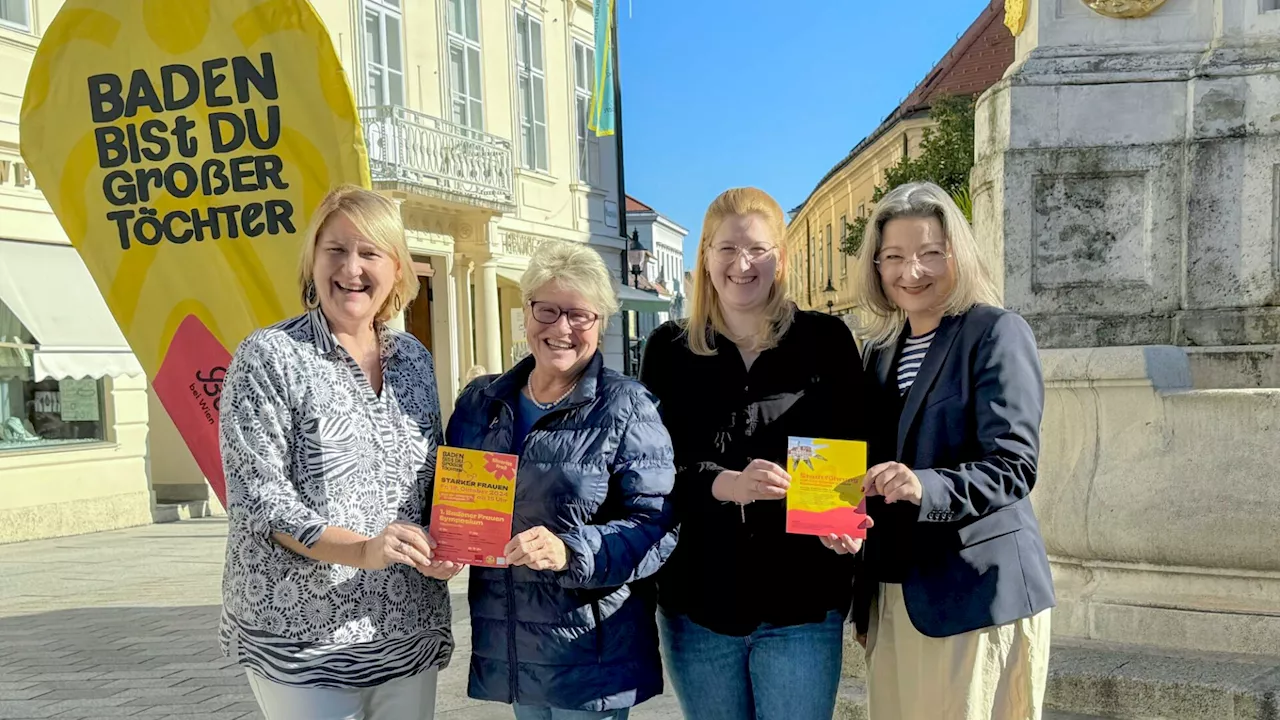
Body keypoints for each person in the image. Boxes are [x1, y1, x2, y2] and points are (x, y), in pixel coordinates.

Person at [218, 185, 462, 720]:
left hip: (406, 631)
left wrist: (449, 546)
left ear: (397, 270)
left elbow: (431, 482)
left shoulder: (413, 359)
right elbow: (262, 501)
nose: (351, 267)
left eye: (370, 252)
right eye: (336, 249)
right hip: (305, 637)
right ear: (312, 261)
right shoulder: (270, 356)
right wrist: (364, 550)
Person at [639, 187, 875, 720]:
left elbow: (855, 446)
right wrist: (725, 484)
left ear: (781, 259)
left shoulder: (827, 340)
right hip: (698, 604)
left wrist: (846, 522)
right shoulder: (668, 351)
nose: (741, 265)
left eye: (758, 250)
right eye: (726, 249)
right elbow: (649, 468)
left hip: (802, 604)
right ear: (705, 256)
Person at [445, 240, 677, 720]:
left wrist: (571, 549)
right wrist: (444, 545)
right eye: (546, 310)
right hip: (512, 647)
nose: (561, 328)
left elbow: (657, 525)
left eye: (579, 315)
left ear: (601, 322)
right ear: (526, 313)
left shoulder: (627, 406)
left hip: (591, 653)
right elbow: (450, 497)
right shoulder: (481, 403)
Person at [848, 181, 1055, 720]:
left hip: (974, 590)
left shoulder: (996, 332)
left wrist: (925, 485)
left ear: (957, 254)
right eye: (893, 256)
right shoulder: (879, 351)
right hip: (893, 593)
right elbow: (863, 463)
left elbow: (1013, 464)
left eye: (929, 254)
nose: (910, 271)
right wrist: (836, 519)